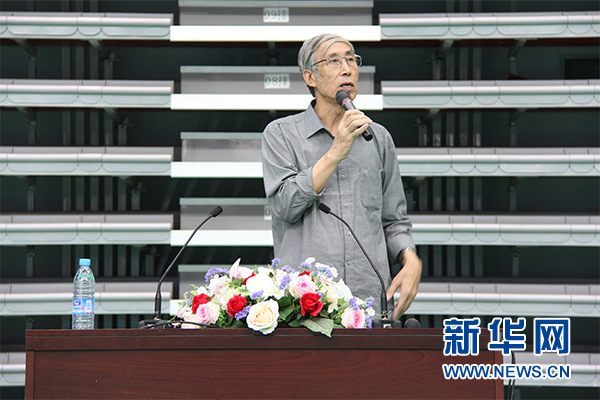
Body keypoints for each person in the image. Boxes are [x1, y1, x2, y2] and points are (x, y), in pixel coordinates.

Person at [261, 33, 422, 319]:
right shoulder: (281, 134)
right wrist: (336, 151)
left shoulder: (378, 138)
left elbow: (394, 219)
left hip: (368, 300)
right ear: (310, 77)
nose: (347, 69)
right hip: (306, 305)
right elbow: (284, 205)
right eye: (334, 61)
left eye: (351, 59)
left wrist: (410, 258)